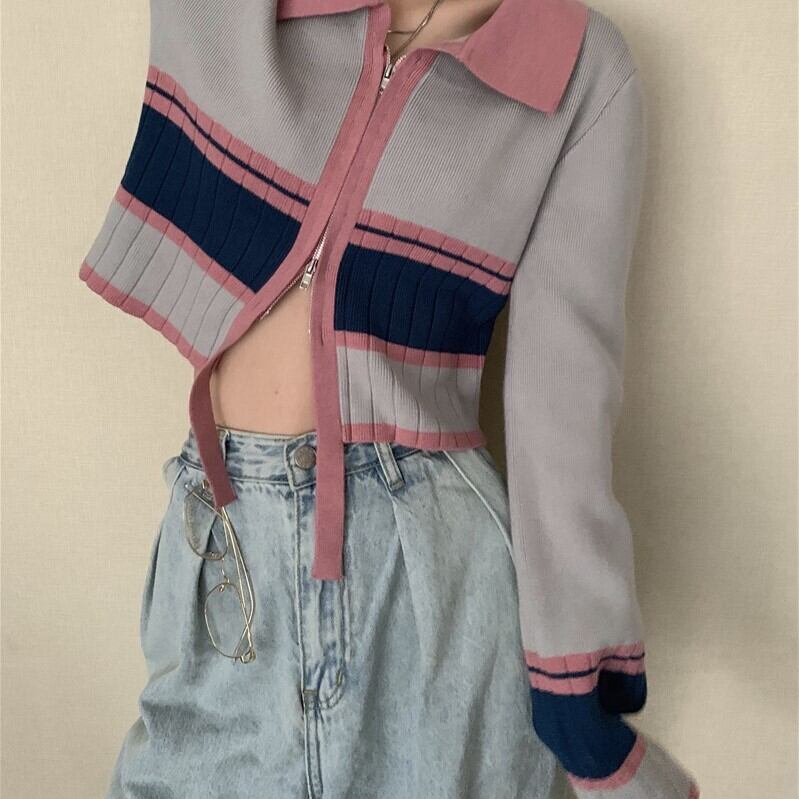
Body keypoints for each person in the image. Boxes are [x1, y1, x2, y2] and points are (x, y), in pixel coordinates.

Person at [78, 0, 701, 796]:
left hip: (428, 572)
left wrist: (573, 676)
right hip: (224, 542)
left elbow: (564, 393)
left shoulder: (578, 70)